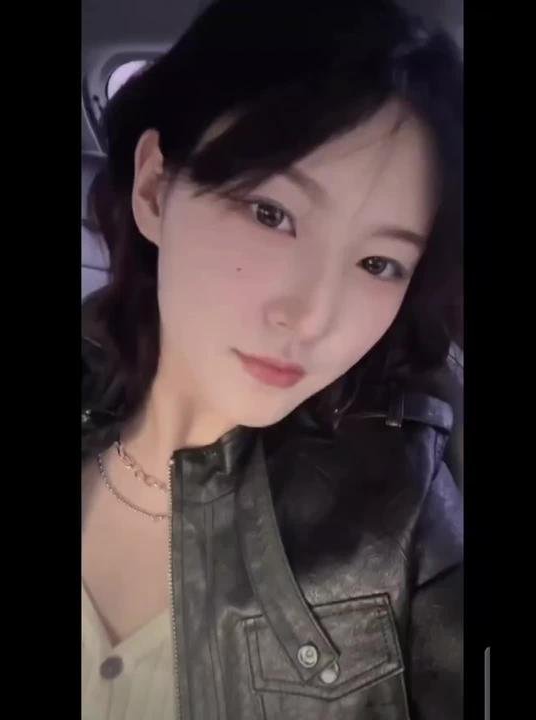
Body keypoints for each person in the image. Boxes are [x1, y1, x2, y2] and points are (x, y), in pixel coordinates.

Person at [81, 1, 463, 718]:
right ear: (155, 189)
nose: (313, 318)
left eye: (378, 263)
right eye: (271, 214)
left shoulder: (405, 510)